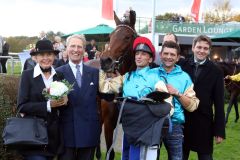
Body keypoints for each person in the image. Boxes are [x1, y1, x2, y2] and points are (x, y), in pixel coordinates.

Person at [100, 36, 174, 160]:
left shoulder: (156, 77)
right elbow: (104, 88)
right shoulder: (127, 77)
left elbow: (168, 105)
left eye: (143, 54)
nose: (139, 56)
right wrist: (104, 70)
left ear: (150, 59)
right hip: (129, 129)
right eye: (137, 53)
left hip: (148, 131)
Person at [17, 39, 67, 160]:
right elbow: (22, 106)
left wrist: (65, 102)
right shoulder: (27, 75)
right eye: (42, 55)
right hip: (33, 137)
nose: (46, 58)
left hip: (54, 138)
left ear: (54, 56)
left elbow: (62, 108)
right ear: (36, 57)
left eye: (49, 54)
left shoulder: (59, 76)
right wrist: (48, 105)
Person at [179, 35, 225, 160]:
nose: (201, 50)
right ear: (193, 48)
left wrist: (219, 130)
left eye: (205, 48)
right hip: (183, 121)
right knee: (180, 157)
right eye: (199, 47)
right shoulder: (182, 66)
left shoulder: (216, 71)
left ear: (209, 50)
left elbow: (219, 103)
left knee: (205, 157)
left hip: (204, 123)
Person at [56, 34, 101, 160]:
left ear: (84, 50)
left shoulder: (95, 73)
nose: (76, 50)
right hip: (66, 132)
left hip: (89, 130)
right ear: (66, 49)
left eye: (79, 47)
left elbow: (106, 97)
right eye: (72, 46)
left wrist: (113, 82)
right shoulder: (58, 73)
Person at [152, 41, 199, 160]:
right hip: (152, 124)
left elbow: (192, 106)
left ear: (178, 58)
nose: (168, 57)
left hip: (175, 126)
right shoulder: (150, 74)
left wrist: (177, 93)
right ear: (161, 55)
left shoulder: (184, 77)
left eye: (172, 54)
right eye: (166, 53)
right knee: (150, 158)